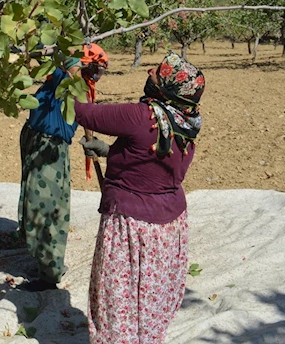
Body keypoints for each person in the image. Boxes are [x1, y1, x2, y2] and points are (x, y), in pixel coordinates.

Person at [76, 52, 205, 343]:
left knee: (118, 306)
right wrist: (112, 152)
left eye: (157, 73)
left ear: (167, 88)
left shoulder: (142, 116)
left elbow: (82, 112)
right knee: (148, 306)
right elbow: (156, 161)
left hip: (132, 228)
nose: (149, 72)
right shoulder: (186, 120)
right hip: (168, 231)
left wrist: (67, 74)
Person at [17, 44, 109, 291]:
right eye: (96, 66)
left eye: (101, 68)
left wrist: (91, 142)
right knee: (39, 203)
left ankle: (50, 274)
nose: (98, 73)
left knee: (46, 206)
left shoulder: (79, 87)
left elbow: (87, 116)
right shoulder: (62, 76)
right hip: (37, 143)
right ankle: (45, 262)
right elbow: (57, 56)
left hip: (49, 150)